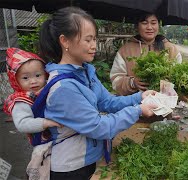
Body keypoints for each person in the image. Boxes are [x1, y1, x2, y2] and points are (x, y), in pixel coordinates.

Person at [39, 7, 157, 179]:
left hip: (87, 158)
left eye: (95, 39)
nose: (94, 46)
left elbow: (108, 102)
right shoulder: (64, 87)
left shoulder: (85, 72)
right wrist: (139, 109)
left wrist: (140, 97)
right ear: (65, 41)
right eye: (88, 40)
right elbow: (100, 127)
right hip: (71, 167)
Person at [3, 47, 62, 179]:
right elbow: (22, 124)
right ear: (15, 80)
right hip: (42, 145)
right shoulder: (21, 101)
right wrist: (45, 123)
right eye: (25, 78)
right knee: (43, 172)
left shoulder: (46, 89)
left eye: (38, 75)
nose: (33, 81)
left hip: (56, 139)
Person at [110, 13, 182, 96]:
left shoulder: (171, 49)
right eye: (144, 23)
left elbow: (179, 77)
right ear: (137, 26)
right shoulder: (125, 50)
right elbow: (115, 81)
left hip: (163, 103)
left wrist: (166, 82)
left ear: (159, 25)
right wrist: (132, 83)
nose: (149, 27)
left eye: (153, 23)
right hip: (133, 103)